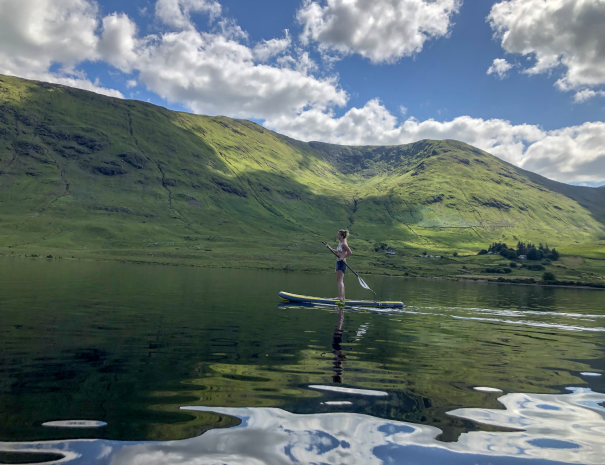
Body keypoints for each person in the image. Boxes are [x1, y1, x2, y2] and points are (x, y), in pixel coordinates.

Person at [325, 229, 352, 302]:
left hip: (341, 263)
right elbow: (337, 252)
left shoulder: (344, 244)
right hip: (338, 262)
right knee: (339, 280)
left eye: (338, 234)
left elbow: (350, 252)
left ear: (342, 236)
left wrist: (343, 257)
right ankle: (342, 297)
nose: (337, 235)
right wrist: (329, 248)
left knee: (340, 280)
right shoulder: (340, 243)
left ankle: (340, 297)